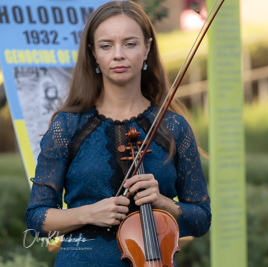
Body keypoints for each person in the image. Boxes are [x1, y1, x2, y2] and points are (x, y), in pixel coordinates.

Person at [25, 1, 211, 266]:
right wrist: (88, 214)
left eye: (130, 43)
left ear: (147, 48)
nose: (118, 54)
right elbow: (36, 220)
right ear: (93, 54)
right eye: (106, 45)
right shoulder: (66, 126)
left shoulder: (174, 127)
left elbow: (201, 219)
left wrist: (162, 202)